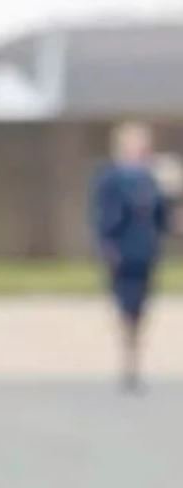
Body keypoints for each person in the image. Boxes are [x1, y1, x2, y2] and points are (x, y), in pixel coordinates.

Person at [91, 122, 171, 393]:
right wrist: (107, 246)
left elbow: (161, 216)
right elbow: (103, 216)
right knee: (125, 304)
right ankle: (129, 359)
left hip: (146, 251)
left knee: (141, 308)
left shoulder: (152, 179)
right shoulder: (110, 179)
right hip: (122, 253)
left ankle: (133, 357)